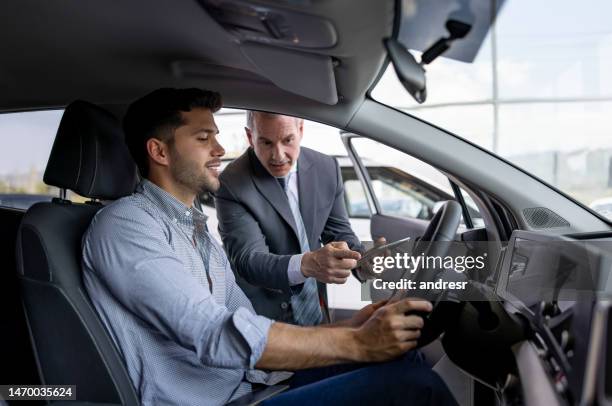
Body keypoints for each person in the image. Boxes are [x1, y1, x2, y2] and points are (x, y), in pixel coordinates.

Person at [82, 88, 457, 405]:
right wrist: (356, 342)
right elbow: (212, 332)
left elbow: (240, 318)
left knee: (404, 362)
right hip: (215, 400)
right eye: (203, 138)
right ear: (159, 152)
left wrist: (353, 327)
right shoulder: (126, 225)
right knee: (415, 386)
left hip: (250, 383)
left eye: (215, 136)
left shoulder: (195, 229)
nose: (219, 149)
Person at [215, 112, 371, 325]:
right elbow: (248, 260)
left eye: (287, 140)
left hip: (317, 305)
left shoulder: (327, 168)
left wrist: (362, 258)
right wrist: (308, 264)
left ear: (301, 130)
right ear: (250, 137)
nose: (278, 155)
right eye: (266, 142)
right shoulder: (231, 182)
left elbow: (338, 231)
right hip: (263, 315)